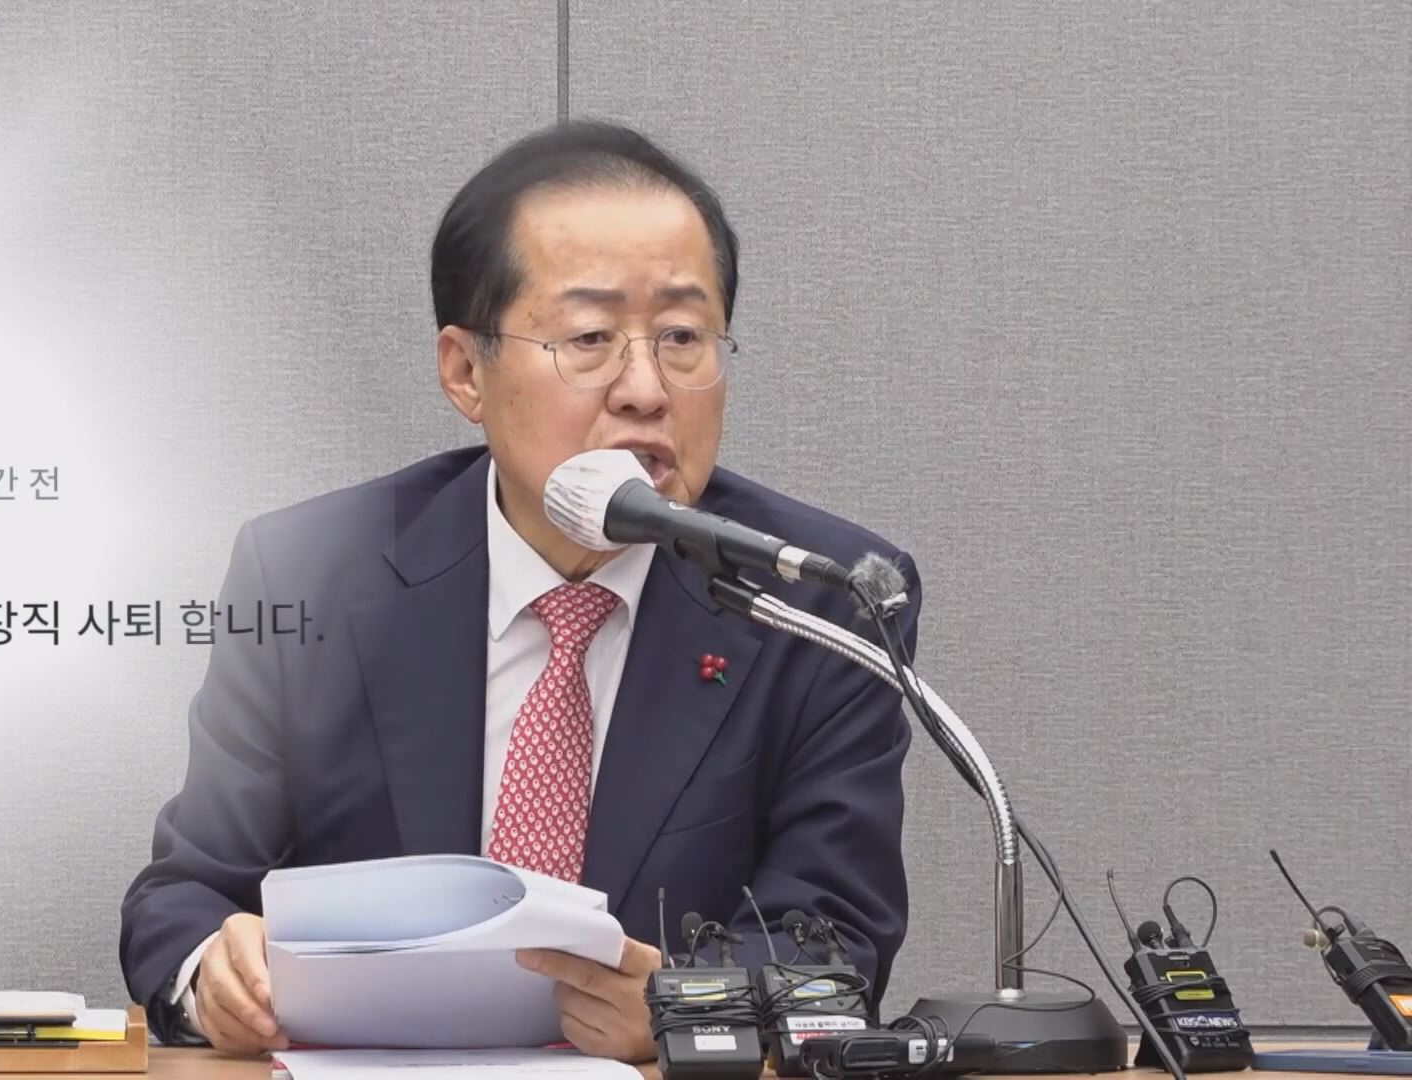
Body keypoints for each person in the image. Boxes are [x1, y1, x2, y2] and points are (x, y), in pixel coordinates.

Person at [119, 120, 921, 1064]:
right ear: (466, 372)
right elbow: (185, 897)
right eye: (589, 338)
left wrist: (683, 1008)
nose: (645, 388)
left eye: (682, 336)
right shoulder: (311, 575)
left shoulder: (819, 599)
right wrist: (216, 975)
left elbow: (833, 947)